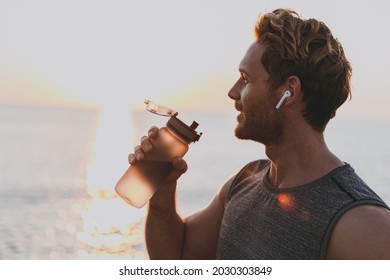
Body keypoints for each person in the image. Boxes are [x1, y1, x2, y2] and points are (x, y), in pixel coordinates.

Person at [128, 8, 390, 259]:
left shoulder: (362, 223)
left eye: (245, 78)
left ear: (289, 91)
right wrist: (163, 190)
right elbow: (177, 259)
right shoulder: (245, 182)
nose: (232, 92)